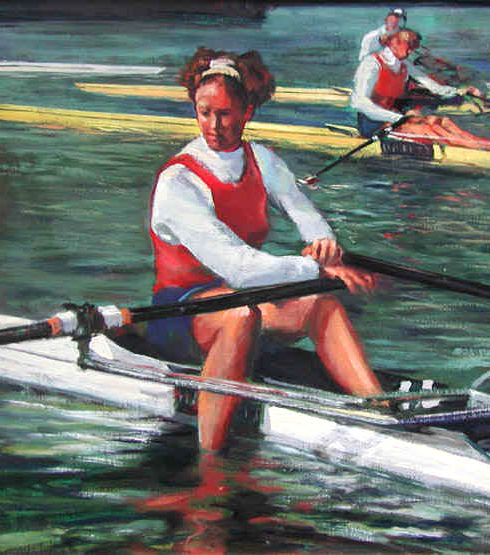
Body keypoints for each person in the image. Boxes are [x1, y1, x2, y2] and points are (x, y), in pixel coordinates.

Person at [147, 47, 384, 451]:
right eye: (204, 113)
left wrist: (323, 245)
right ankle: (211, 458)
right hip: (178, 311)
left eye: (225, 114)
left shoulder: (261, 160)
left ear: (247, 113)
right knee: (242, 314)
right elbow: (241, 269)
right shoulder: (178, 182)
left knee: (319, 304)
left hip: (241, 295)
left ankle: (378, 410)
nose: (214, 125)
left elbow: (303, 212)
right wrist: (316, 270)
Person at [351, 29, 490, 151]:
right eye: (409, 46)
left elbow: (433, 86)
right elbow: (359, 103)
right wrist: (399, 117)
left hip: (395, 118)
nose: (412, 51)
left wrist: (460, 91)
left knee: (442, 122)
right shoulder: (371, 64)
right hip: (373, 123)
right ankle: (488, 147)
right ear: (394, 44)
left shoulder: (403, 64)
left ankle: (489, 143)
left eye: (413, 47)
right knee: (430, 129)